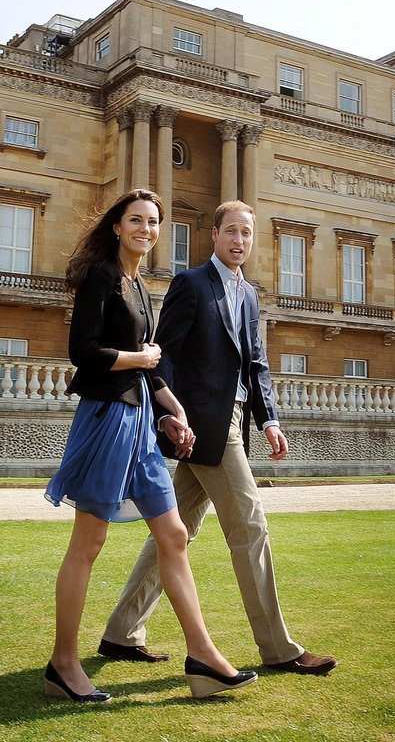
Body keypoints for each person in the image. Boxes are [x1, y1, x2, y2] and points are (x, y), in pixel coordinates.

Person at [98, 200, 338, 677]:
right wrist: (169, 415)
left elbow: (256, 363)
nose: (239, 240)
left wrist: (269, 420)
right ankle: (279, 649)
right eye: (231, 231)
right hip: (205, 424)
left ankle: (122, 633)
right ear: (214, 234)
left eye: (246, 233)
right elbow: (163, 356)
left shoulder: (248, 293)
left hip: (234, 418)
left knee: (176, 532)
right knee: (250, 527)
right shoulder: (191, 284)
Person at [43, 189, 257, 702]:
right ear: (117, 226)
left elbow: (150, 364)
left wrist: (172, 409)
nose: (146, 229)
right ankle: (63, 665)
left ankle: (203, 658)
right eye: (136, 220)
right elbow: (84, 352)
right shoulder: (101, 276)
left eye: (154, 222)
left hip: (141, 420)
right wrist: (141, 361)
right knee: (88, 544)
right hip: (107, 419)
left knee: (175, 535)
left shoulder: (139, 285)